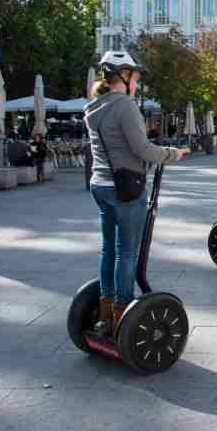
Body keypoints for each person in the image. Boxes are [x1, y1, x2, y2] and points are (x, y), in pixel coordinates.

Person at [85, 51, 190, 333]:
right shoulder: (124, 105)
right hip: (126, 189)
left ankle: (107, 311)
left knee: (109, 249)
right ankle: (122, 314)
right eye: (135, 76)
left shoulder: (94, 106)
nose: (137, 82)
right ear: (123, 75)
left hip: (100, 184)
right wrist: (172, 153)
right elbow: (141, 149)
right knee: (127, 252)